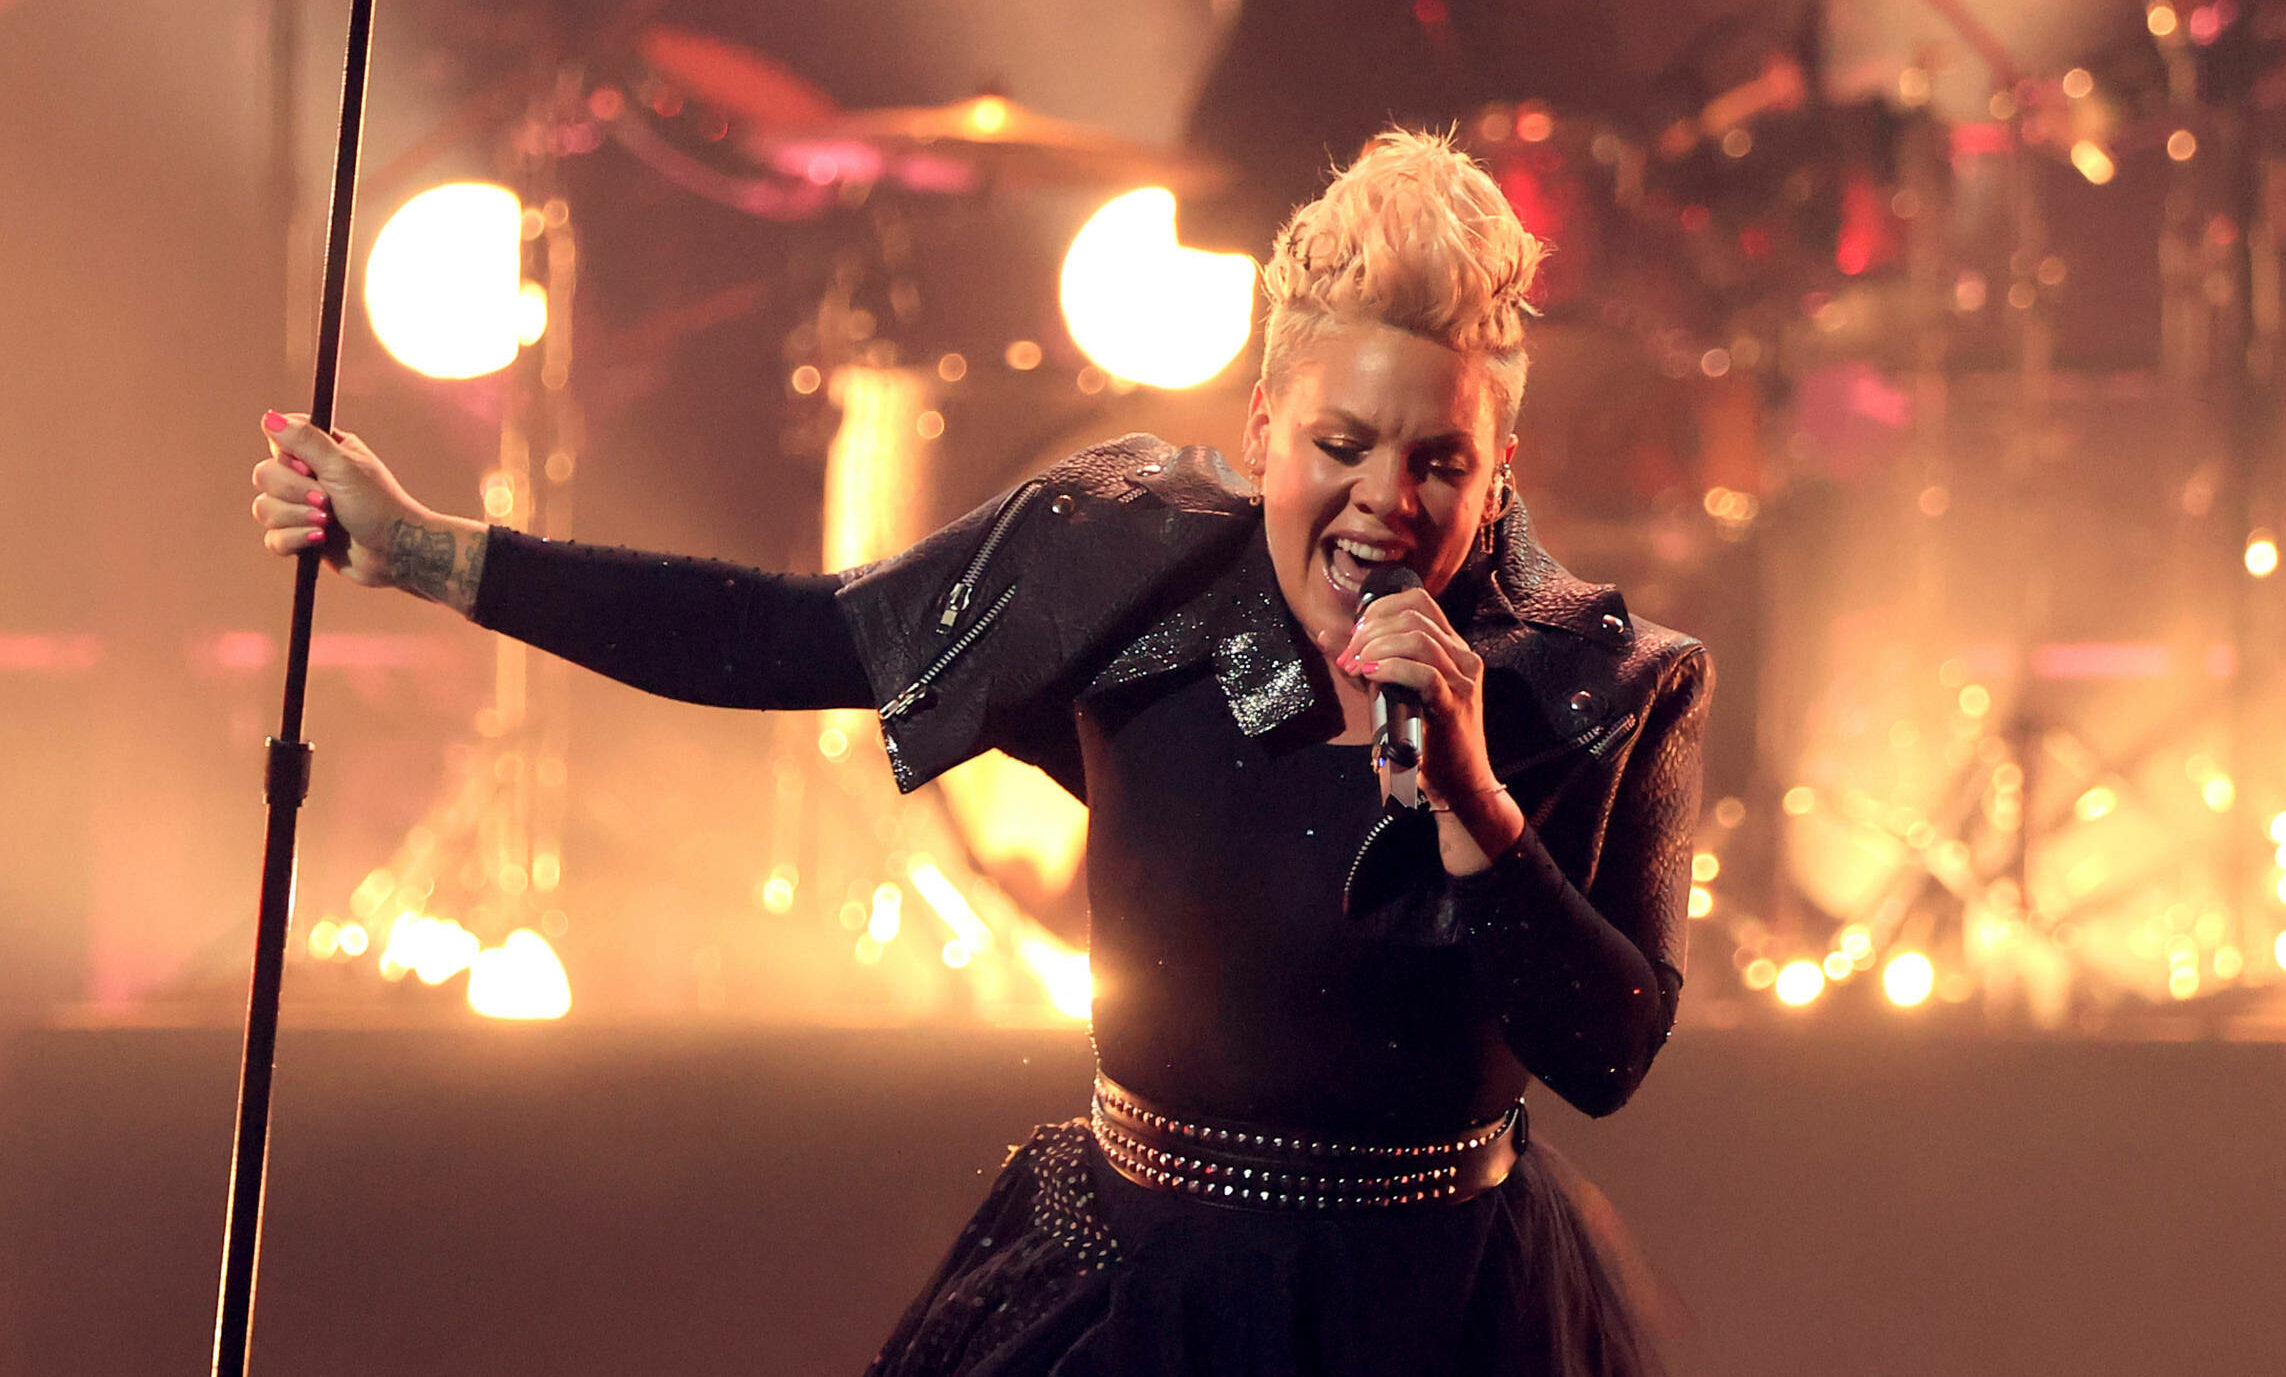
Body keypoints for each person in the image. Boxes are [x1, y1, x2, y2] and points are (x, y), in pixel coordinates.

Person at [250, 128, 1708, 1377]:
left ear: (1496, 470)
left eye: (1438, 460)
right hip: (1140, 1296)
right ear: (1265, 427)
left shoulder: (1600, 686)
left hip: (1444, 1317)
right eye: (1341, 444)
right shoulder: (1130, 574)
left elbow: (1607, 1052)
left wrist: (1474, 805)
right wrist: (433, 555)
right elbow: (791, 637)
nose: (1385, 498)